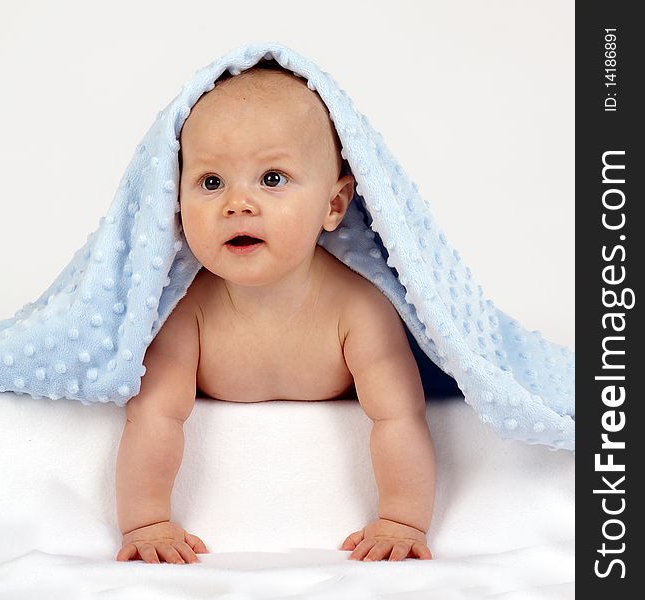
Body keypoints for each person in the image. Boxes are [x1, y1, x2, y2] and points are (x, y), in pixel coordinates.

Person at [115, 61, 435, 564]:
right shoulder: (185, 312)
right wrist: (147, 521)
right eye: (211, 181)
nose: (238, 204)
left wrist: (401, 517)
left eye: (272, 177)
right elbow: (153, 415)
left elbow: (399, 415)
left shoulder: (358, 310)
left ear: (334, 205)